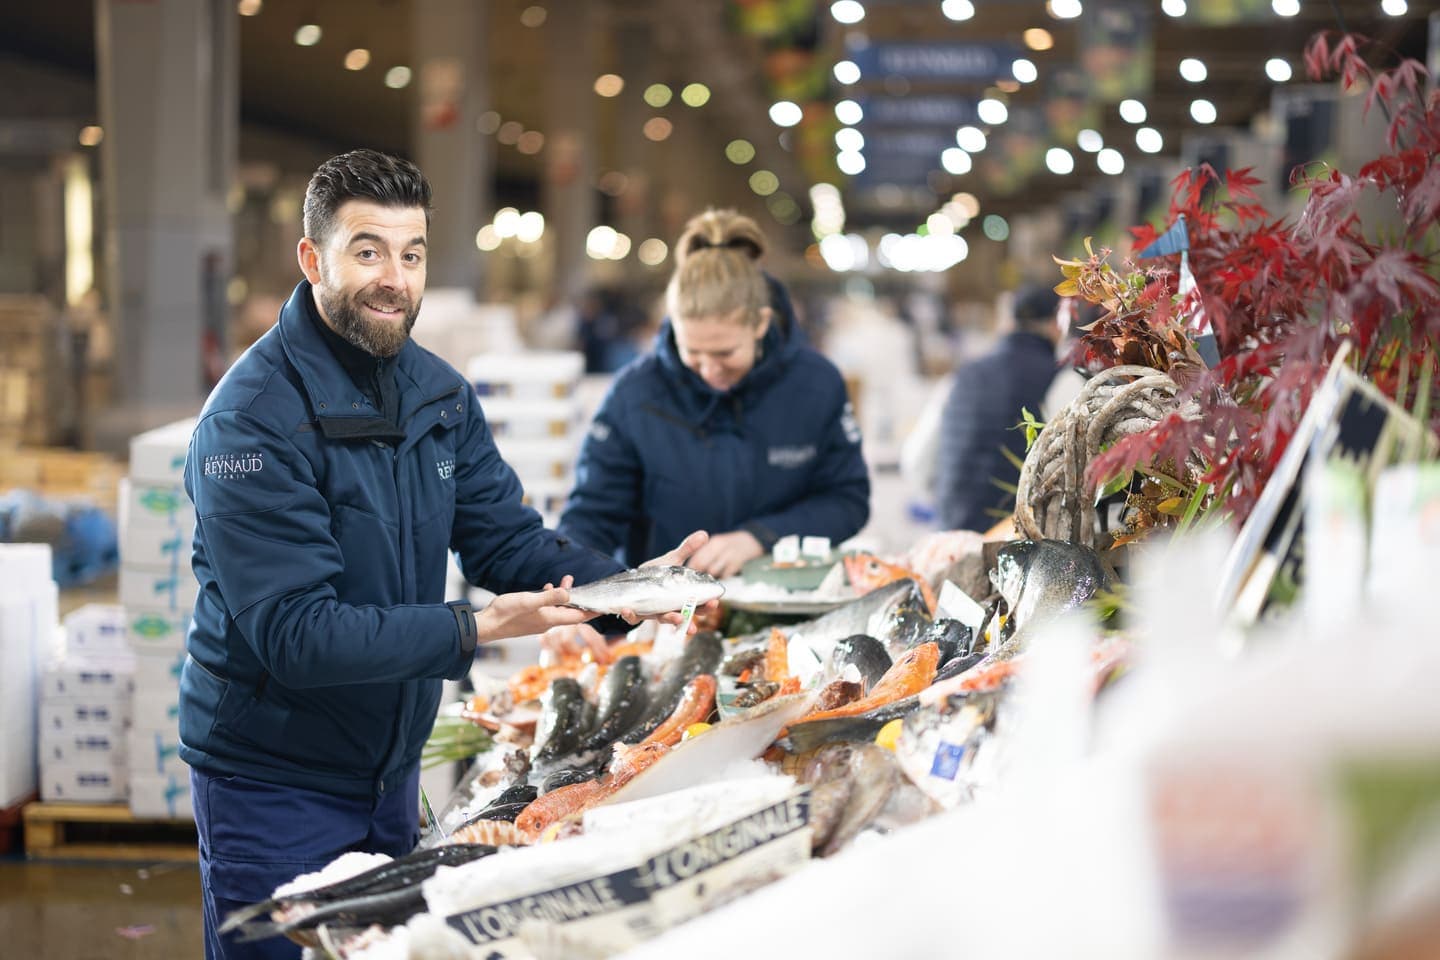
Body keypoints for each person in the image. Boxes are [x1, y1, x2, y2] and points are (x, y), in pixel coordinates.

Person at [179, 149, 706, 960]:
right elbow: (295, 633)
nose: (394, 277)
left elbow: (504, 538)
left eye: (411, 253)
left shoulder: (436, 393)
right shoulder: (249, 422)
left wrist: (633, 587)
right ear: (312, 259)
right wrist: (474, 629)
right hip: (274, 783)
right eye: (368, 251)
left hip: (389, 776)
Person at [558, 209, 870, 577]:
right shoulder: (635, 395)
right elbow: (591, 518)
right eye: (693, 352)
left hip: (786, 605)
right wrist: (575, 600)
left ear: (761, 323)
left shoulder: (816, 385)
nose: (709, 370)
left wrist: (760, 538)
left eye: (725, 353)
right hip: (668, 619)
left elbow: (846, 500)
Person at [934, 284, 1064, 532]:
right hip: (1019, 543)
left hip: (952, 538)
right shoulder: (1060, 379)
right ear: (1056, 326)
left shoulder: (963, 374)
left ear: (1008, 322)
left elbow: (917, 463)